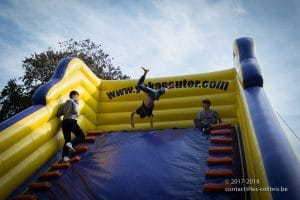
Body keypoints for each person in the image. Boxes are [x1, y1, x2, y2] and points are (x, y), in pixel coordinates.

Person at [57, 90, 85, 162]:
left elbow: (58, 113)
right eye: (77, 96)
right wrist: (77, 113)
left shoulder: (63, 104)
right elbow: (76, 112)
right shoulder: (74, 102)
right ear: (73, 96)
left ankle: (65, 156)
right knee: (82, 136)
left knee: (67, 139)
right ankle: (71, 144)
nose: (77, 98)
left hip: (64, 122)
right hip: (71, 120)